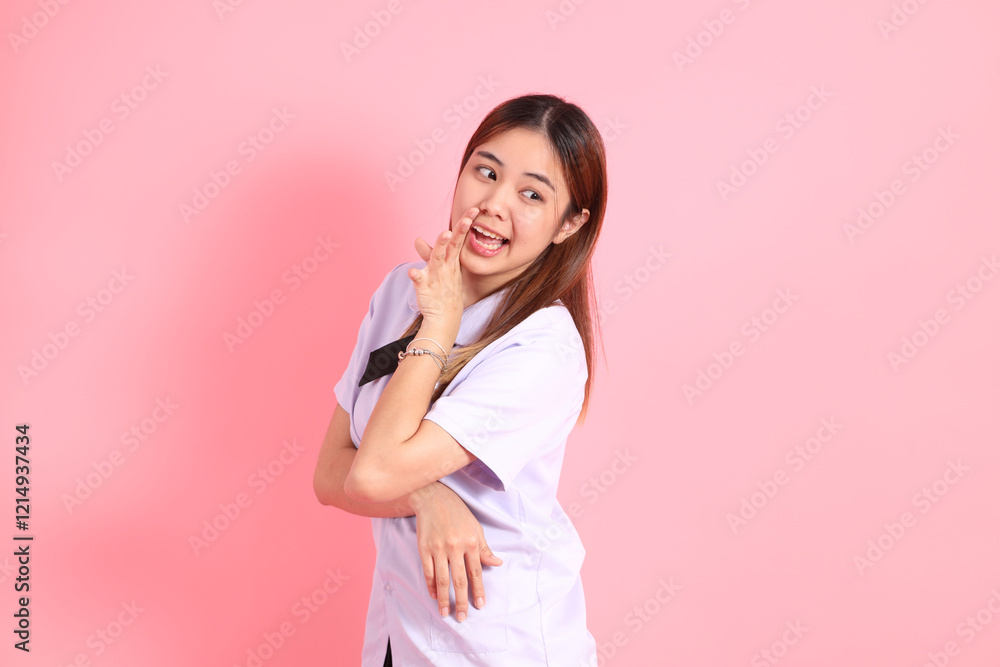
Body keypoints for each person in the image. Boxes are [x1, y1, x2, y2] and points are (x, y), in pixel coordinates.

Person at [313, 93, 607, 666]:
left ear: (569, 223)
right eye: (486, 172)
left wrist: (440, 324)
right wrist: (429, 494)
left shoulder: (543, 349)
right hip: (401, 638)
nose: (494, 204)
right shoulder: (401, 291)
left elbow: (370, 476)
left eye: (531, 194)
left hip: (500, 647)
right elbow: (330, 475)